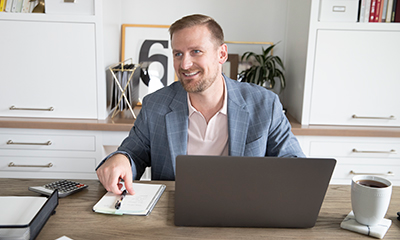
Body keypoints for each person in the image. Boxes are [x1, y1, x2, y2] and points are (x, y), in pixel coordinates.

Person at [96, 14, 305, 195]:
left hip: (244, 211)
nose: (184, 64)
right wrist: (121, 159)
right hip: (175, 213)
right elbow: (132, 153)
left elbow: (294, 164)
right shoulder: (155, 105)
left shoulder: (264, 104)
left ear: (221, 54)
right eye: (178, 53)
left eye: (196, 51)